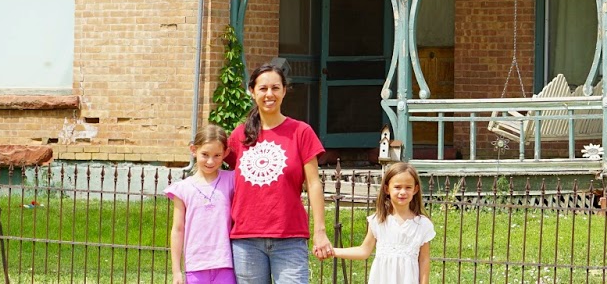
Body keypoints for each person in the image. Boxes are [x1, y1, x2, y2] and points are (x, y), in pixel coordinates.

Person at [225, 60, 333, 283]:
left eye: (275, 88)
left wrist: (320, 231)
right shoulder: (239, 136)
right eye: (263, 88)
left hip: (289, 237)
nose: (269, 94)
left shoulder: (301, 132)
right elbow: (218, 172)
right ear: (252, 91)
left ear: (284, 91)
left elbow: (313, 184)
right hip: (246, 239)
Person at [331, 163, 434, 284]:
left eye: (408, 187)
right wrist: (333, 251)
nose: (402, 192)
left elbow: (424, 260)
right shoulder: (378, 220)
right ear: (387, 189)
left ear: (415, 189)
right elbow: (364, 251)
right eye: (397, 187)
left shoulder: (422, 225)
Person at [166, 124, 237, 284]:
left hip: (226, 264)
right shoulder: (182, 189)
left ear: (225, 153)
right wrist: (176, 271)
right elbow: (178, 229)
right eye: (205, 154)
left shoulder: (231, 180)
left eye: (217, 155)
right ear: (193, 149)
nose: (211, 161)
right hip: (196, 266)